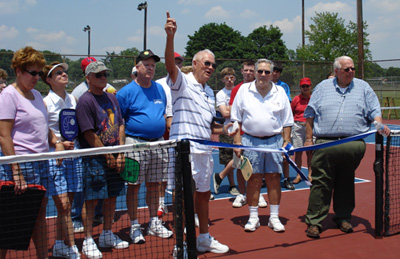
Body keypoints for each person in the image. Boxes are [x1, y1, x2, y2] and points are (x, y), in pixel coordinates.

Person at [165, 11, 230, 254]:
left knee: (203, 195)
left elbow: (211, 126)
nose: (211, 67)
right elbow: (170, 65)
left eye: (213, 64)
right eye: (206, 63)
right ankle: (180, 244)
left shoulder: (209, 92)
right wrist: (171, 37)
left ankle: (204, 237)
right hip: (184, 152)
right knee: (183, 198)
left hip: (204, 151)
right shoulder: (181, 81)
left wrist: (226, 129)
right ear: (194, 64)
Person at [304, 56, 390, 239]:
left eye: (352, 68)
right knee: (321, 183)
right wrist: (308, 139)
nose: (350, 71)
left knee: (346, 182)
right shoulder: (322, 88)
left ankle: (343, 217)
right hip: (325, 144)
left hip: (353, 144)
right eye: (346, 69)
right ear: (336, 71)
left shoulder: (363, 87)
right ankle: (314, 222)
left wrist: (379, 124)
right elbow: (310, 114)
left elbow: (375, 110)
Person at [0, 46, 64, 259]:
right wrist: (16, 171)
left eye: (39, 73)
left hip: (42, 162)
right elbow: (4, 136)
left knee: (40, 216)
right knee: (11, 220)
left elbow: (44, 129)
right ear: (18, 71)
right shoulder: (9, 96)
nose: (37, 77)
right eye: (32, 73)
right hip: (21, 165)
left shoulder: (37, 95)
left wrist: (57, 143)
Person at [116, 49, 173, 244]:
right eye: (146, 65)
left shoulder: (159, 89)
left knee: (155, 185)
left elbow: (163, 114)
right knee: (133, 186)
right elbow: (119, 123)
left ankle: (154, 222)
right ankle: (134, 225)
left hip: (158, 144)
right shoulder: (125, 93)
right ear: (137, 67)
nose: (150, 68)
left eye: (153, 65)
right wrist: (121, 150)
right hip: (134, 145)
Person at [231, 58, 293, 233]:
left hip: (275, 141)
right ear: (255, 72)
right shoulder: (244, 90)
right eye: (260, 71)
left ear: (272, 74)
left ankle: (274, 217)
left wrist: (286, 143)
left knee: (274, 178)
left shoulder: (280, 91)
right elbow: (236, 118)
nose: (263, 75)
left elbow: (287, 121)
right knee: (253, 179)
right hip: (250, 141)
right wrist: (237, 142)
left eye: (267, 72)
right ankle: (253, 218)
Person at [76, 61, 128, 259]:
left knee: (112, 196)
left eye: (105, 73)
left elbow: (120, 125)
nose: (103, 77)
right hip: (95, 160)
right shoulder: (85, 101)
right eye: (98, 75)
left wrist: (121, 153)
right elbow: (89, 134)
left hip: (115, 156)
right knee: (91, 199)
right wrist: (107, 154)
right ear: (88, 78)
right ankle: (89, 240)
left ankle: (107, 233)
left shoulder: (112, 99)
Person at [41, 62, 82, 259]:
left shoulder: (72, 99)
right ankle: (72, 246)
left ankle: (59, 244)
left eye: (64, 72)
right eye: (58, 73)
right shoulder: (45, 102)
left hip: (73, 157)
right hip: (55, 159)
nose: (64, 74)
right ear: (49, 80)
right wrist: (57, 142)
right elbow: (41, 127)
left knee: (68, 204)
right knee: (63, 205)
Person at [228, 61, 268, 209]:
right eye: (246, 70)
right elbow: (234, 113)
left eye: (252, 70)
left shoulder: (263, 89)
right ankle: (242, 193)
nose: (249, 73)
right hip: (241, 135)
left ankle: (258, 194)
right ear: (242, 71)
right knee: (239, 166)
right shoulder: (237, 89)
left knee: (258, 167)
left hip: (256, 136)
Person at [155, 52, 183, 218]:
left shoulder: (187, 82)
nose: (177, 65)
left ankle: (186, 203)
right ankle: (160, 202)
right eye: (174, 62)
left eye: (179, 62)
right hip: (165, 133)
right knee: (162, 170)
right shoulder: (159, 84)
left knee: (182, 170)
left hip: (182, 132)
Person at [213, 67, 240, 196]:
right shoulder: (221, 94)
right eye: (227, 78)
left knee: (240, 157)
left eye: (232, 78)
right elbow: (224, 113)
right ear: (223, 80)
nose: (229, 81)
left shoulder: (239, 91)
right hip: (227, 129)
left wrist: (231, 108)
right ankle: (232, 185)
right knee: (229, 159)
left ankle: (220, 177)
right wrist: (236, 109)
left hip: (241, 128)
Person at [271, 63, 294, 190]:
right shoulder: (263, 85)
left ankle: (286, 178)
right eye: (273, 71)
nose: (275, 74)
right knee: (269, 154)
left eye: (277, 72)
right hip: (270, 127)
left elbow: (287, 106)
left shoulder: (284, 86)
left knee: (286, 154)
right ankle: (265, 178)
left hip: (282, 126)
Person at [291, 77, 312, 184]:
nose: (305, 88)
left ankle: (310, 174)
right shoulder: (296, 99)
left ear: (310, 87)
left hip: (310, 127)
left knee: (310, 152)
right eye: (303, 86)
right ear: (300, 88)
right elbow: (291, 112)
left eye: (307, 86)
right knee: (298, 152)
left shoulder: (314, 98)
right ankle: (298, 174)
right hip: (298, 126)